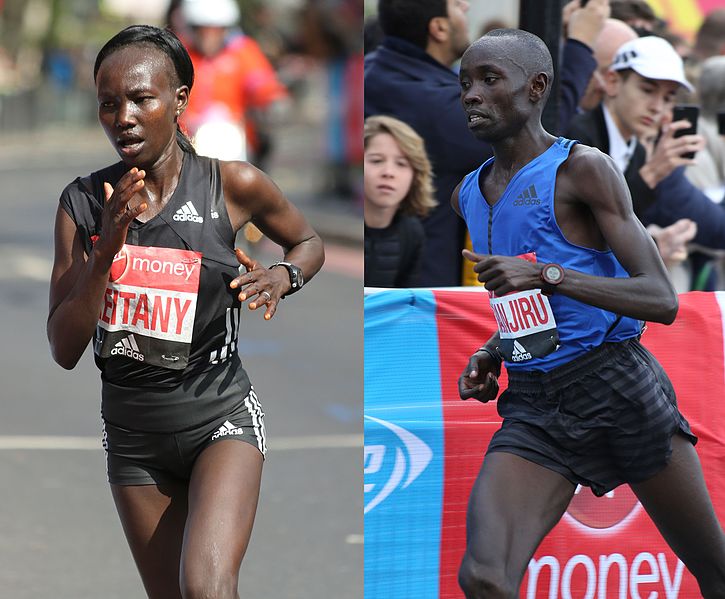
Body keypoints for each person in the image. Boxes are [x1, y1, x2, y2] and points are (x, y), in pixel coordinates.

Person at [47, 25, 324, 598]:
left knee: (207, 589)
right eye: (107, 103)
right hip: (133, 437)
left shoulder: (234, 185)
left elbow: (309, 243)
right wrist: (106, 254)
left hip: (220, 421)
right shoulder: (82, 205)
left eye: (141, 99)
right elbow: (64, 348)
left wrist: (282, 276)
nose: (122, 116)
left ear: (178, 100)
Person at [452, 28, 725, 597]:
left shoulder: (582, 170)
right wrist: (491, 351)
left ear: (537, 87)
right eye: (466, 83)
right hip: (535, 402)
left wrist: (549, 274)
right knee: (484, 577)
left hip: (617, 387)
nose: (472, 94)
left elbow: (661, 299)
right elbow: (521, 309)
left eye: (489, 79)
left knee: (715, 569)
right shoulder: (468, 194)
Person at [177, 0, 288, 169]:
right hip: (187, 139)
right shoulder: (181, 53)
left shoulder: (243, 51)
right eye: (203, 30)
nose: (210, 36)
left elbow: (261, 82)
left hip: (236, 135)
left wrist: (273, 99)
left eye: (216, 30)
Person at [364, 115, 436, 288]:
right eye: (376, 160)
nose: (388, 172)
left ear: (416, 176)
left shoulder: (411, 232)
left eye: (401, 164)